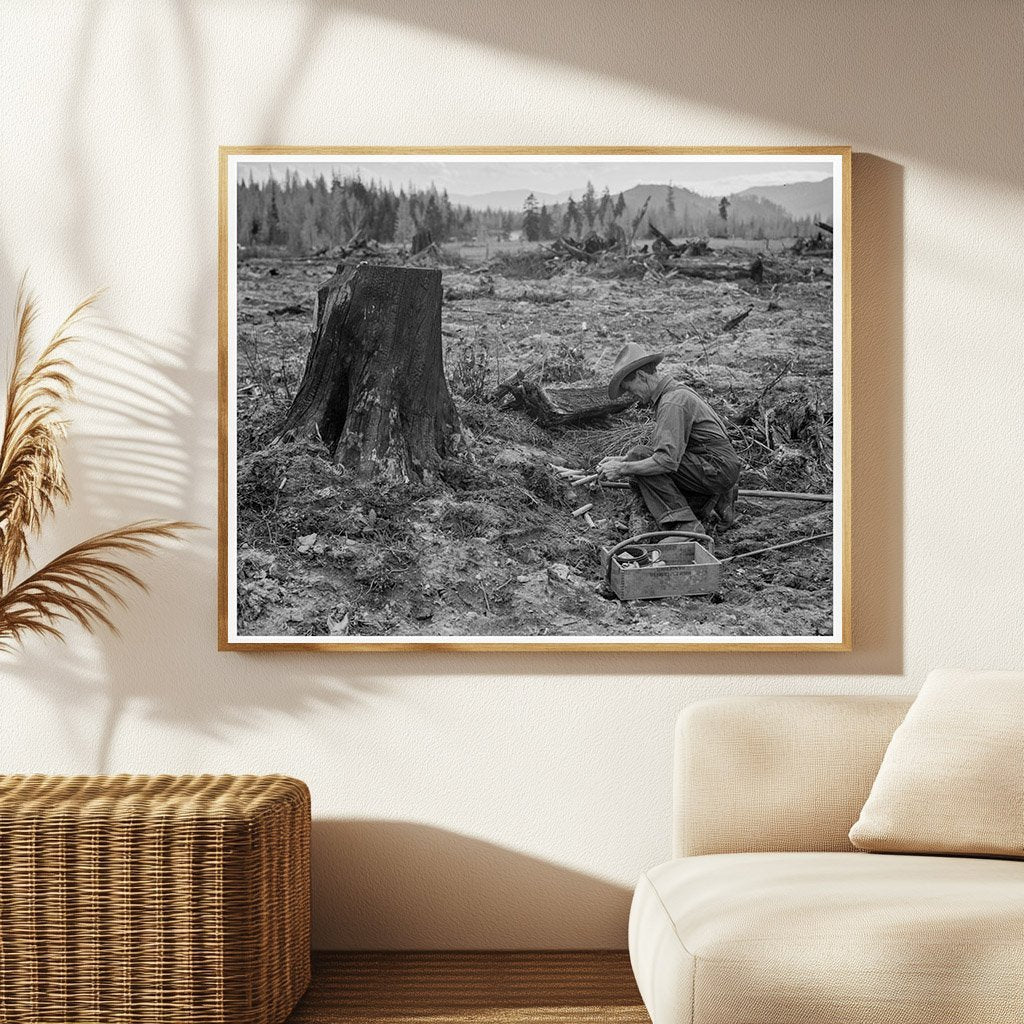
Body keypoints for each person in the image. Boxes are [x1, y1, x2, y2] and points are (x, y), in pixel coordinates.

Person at [597, 343, 741, 536]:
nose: (635, 397)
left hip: (716, 469)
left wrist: (623, 468)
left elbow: (665, 462)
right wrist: (620, 460)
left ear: (641, 376)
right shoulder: (674, 392)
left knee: (639, 458)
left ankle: (685, 525)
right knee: (637, 456)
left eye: (631, 390)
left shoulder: (672, 401)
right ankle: (714, 501)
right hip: (715, 464)